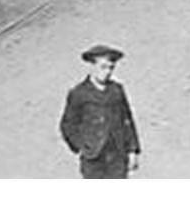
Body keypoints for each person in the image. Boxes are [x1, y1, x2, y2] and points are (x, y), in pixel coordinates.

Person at [60, 44, 141, 179]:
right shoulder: (79, 93)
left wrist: (133, 151)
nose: (107, 72)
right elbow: (68, 125)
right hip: (94, 158)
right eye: (103, 67)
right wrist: (82, 147)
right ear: (92, 67)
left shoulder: (117, 90)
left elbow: (127, 121)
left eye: (111, 68)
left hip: (118, 155)